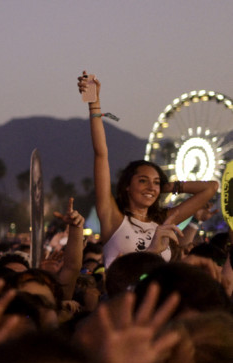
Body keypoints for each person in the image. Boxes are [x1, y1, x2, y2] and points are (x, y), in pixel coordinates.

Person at [77, 72, 218, 267]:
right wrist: (94, 104)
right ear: (127, 186)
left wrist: (165, 187)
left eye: (155, 182)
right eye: (143, 180)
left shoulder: (165, 220)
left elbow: (210, 187)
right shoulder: (112, 217)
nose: (151, 187)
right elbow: (101, 154)